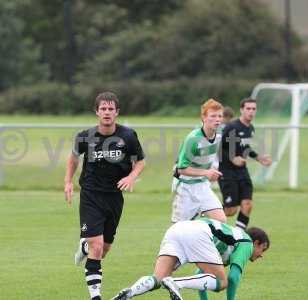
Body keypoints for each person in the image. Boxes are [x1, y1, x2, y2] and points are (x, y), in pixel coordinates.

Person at [64, 91, 145, 300]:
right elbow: (73, 159)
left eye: (110, 109)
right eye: (103, 109)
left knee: (104, 248)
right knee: (97, 247)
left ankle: (85, 244)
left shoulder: (128, 135)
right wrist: (67, 182)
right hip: (91, 195)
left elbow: (140, 161)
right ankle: (95, 296)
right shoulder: (85, 136)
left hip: (114, 197)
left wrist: (132, 177)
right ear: (97, 112)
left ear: (117, 112)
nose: (107, 112)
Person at [111, 217, 270, 300]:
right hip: (198, 232)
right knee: (222, 282)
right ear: (256, 243)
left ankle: (130, 292)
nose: (261, 255)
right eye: (263, 249)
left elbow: (200, 274)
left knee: (159, 278)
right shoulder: (246, 243)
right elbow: (233, 278)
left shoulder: (228, 244)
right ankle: (175, 283)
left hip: (178, 229)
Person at [218, 98, 272, 230]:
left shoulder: (250, 129)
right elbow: (219, 148)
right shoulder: (232, 127)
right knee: (231, 211)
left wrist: (258, 157)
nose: (251, 112)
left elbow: (245, 148)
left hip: (242, 171)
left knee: (247, 204)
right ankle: (207, 219)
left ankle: (239, 237)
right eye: (248, 109)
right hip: (227, 172)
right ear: (242, 110)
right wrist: (232, 158)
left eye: (254, 109)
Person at [171, 99, 226, 223]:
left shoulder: (218, 136)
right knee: (178, 230)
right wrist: (206, 173)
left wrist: (212, 172)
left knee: (221, 220)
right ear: (204, 118)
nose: (217, 119)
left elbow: (208, 160)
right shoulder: (193, 139)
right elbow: (181, 169)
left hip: (202, 186)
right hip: (185, 187)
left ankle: (201, 239)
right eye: (213, 116)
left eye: (220, 116)